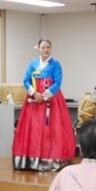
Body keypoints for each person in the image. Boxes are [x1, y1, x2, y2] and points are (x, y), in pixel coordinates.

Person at [11, 39, 76, 171]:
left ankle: (51, 160)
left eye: (48, 47)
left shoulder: (56, 64)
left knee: (51, 130)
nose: (46, 50)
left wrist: (45, 96)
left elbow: (58, 82)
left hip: (52, 102)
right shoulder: (33, 64)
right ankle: (31, 160)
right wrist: (34, 94)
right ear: (38, 49)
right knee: (33, 129)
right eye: (43, 47)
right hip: (33, 102)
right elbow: (26, 80)